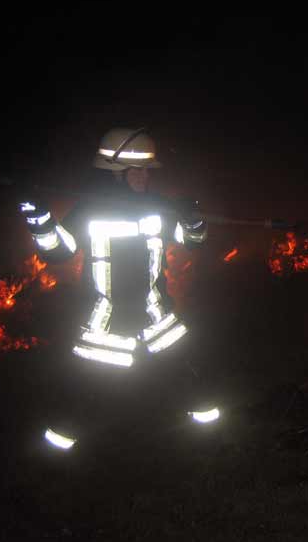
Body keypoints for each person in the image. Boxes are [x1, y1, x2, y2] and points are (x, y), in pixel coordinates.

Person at [20, 127, 218, 450]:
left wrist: (194, 219)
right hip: (106, 325)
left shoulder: (158, 207)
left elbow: (193, 242)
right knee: (83, 396)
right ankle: (56, 461)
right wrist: (40, 220)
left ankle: (211, 448)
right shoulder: (90, 210)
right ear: (115, 173)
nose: (144, 177)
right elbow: (58, 251)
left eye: (147, 171)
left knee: (193, 382)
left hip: (157, 317)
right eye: (136, 170)